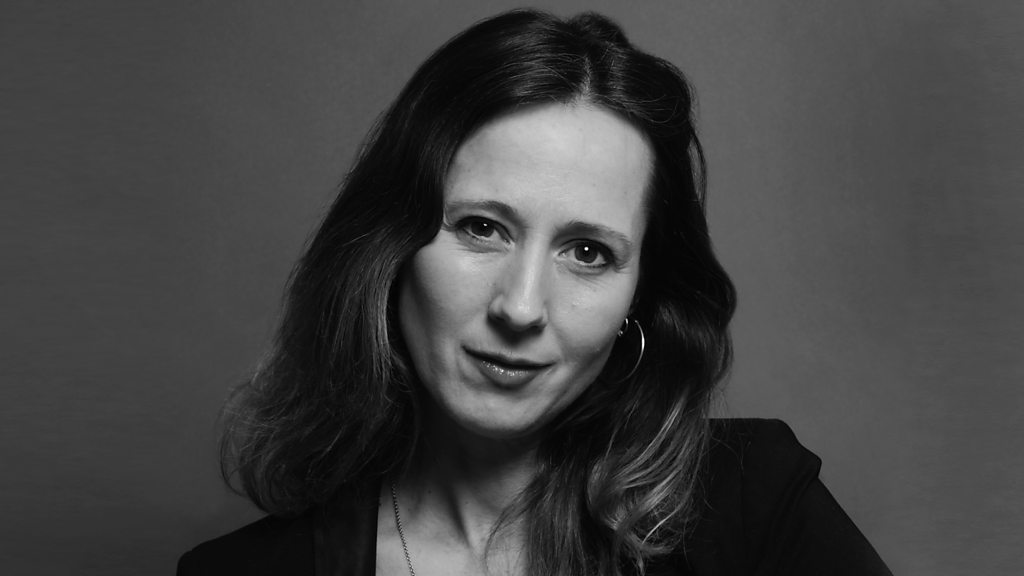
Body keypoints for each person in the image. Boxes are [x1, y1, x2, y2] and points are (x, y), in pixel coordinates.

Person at [178, 9, 891, 576]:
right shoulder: (239, 570)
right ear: (390, 248)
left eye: (588, 252)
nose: (520, 308)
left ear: (638, 298)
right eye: (482, 228)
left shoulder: (756, 503)